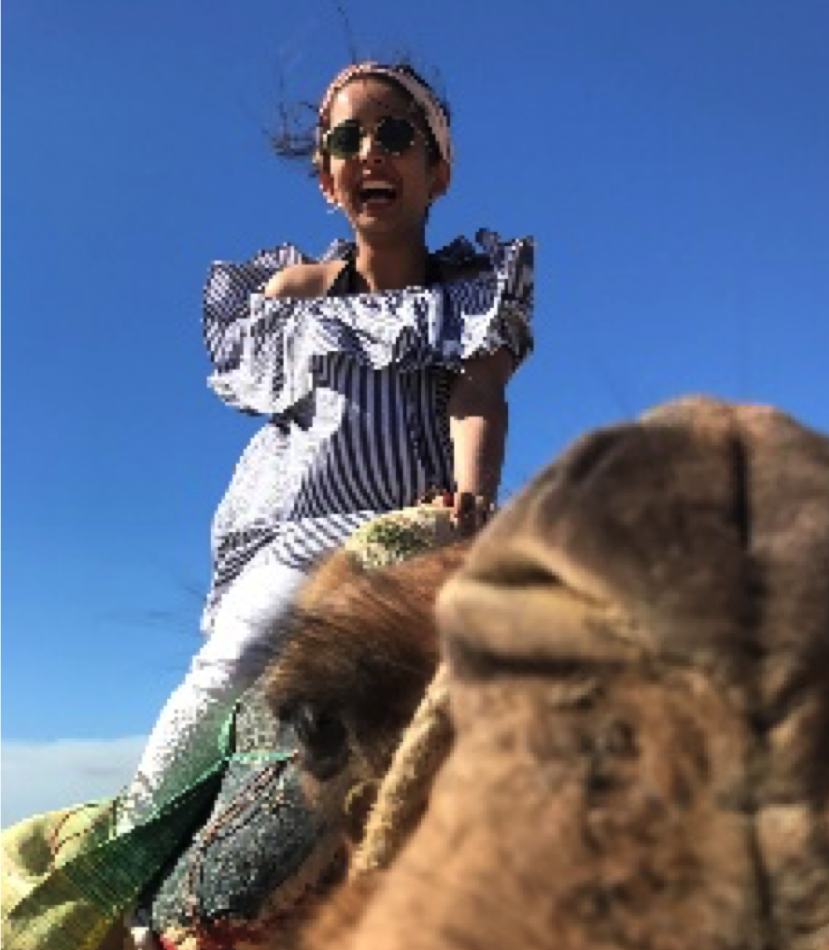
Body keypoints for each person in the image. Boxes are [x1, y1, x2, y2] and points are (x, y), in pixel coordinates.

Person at [119, 59, 535, 826]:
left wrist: (472, 495)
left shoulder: (473, 295)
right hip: (308, 529)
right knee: (223, 674)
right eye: (347, 139)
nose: (371, 150)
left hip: (423, 519)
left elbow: (479, 395)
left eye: (395, 134)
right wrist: (319, 280)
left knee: (516, 667)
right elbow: (266, 326)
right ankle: (129, 861)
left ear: (437, 171)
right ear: (326, 180)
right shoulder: (298, 295)